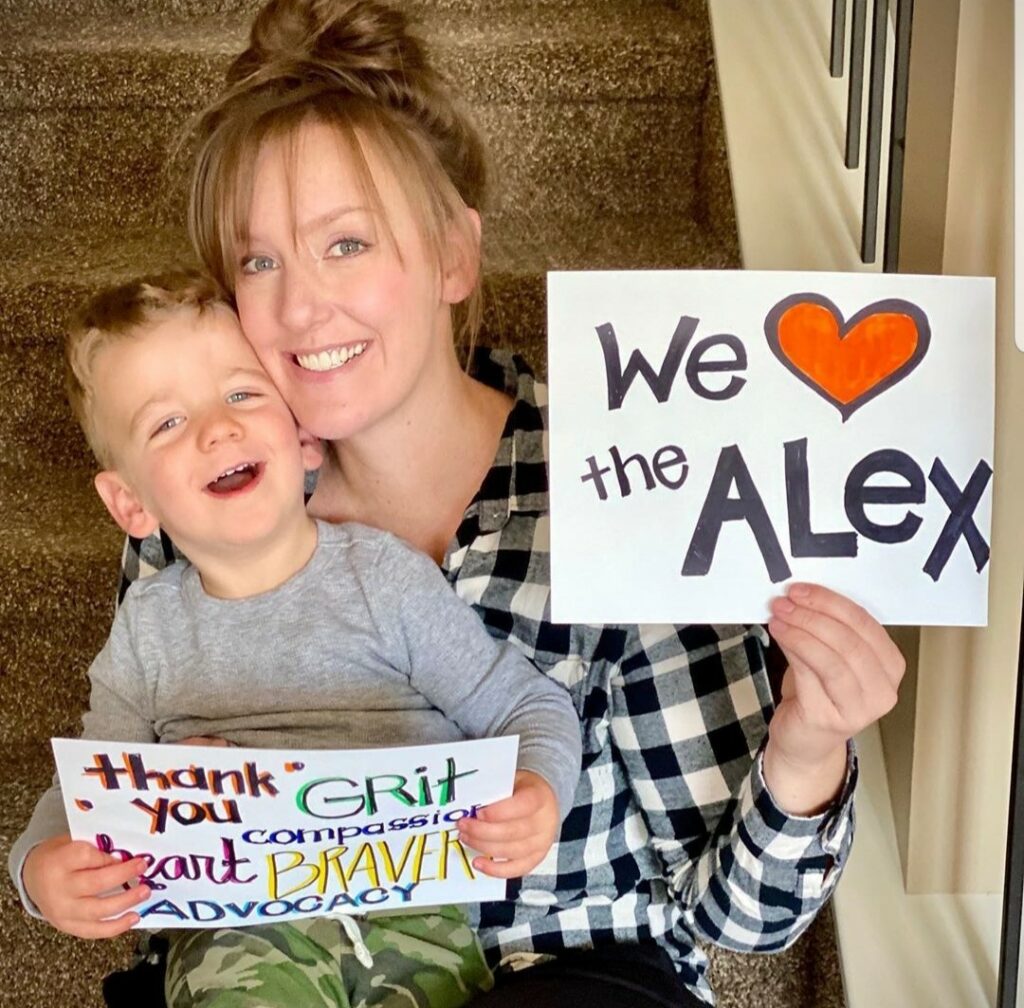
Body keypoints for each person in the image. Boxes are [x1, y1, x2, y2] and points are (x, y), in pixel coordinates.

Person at [114, 0, 908, 1005]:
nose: (300, 305)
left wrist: (807, 742)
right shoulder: (206, 482)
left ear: (454, 254)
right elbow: (135, 850)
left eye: (345, 244)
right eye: (258, 261)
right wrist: (179, 809)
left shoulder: (625, 470)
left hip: (565, 974)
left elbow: (741, 921)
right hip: (288, 969)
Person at [8, 271, 583, 1008]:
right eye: (167, 424)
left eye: (243, 394)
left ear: (304, 438)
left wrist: (538, 791)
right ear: (130, 504)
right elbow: (87, 791)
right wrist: (38, 872)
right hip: (235, 935)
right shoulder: (148, 632)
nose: (218, 428)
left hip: (413, 919)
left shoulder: (385, 582)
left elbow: (527, 706)